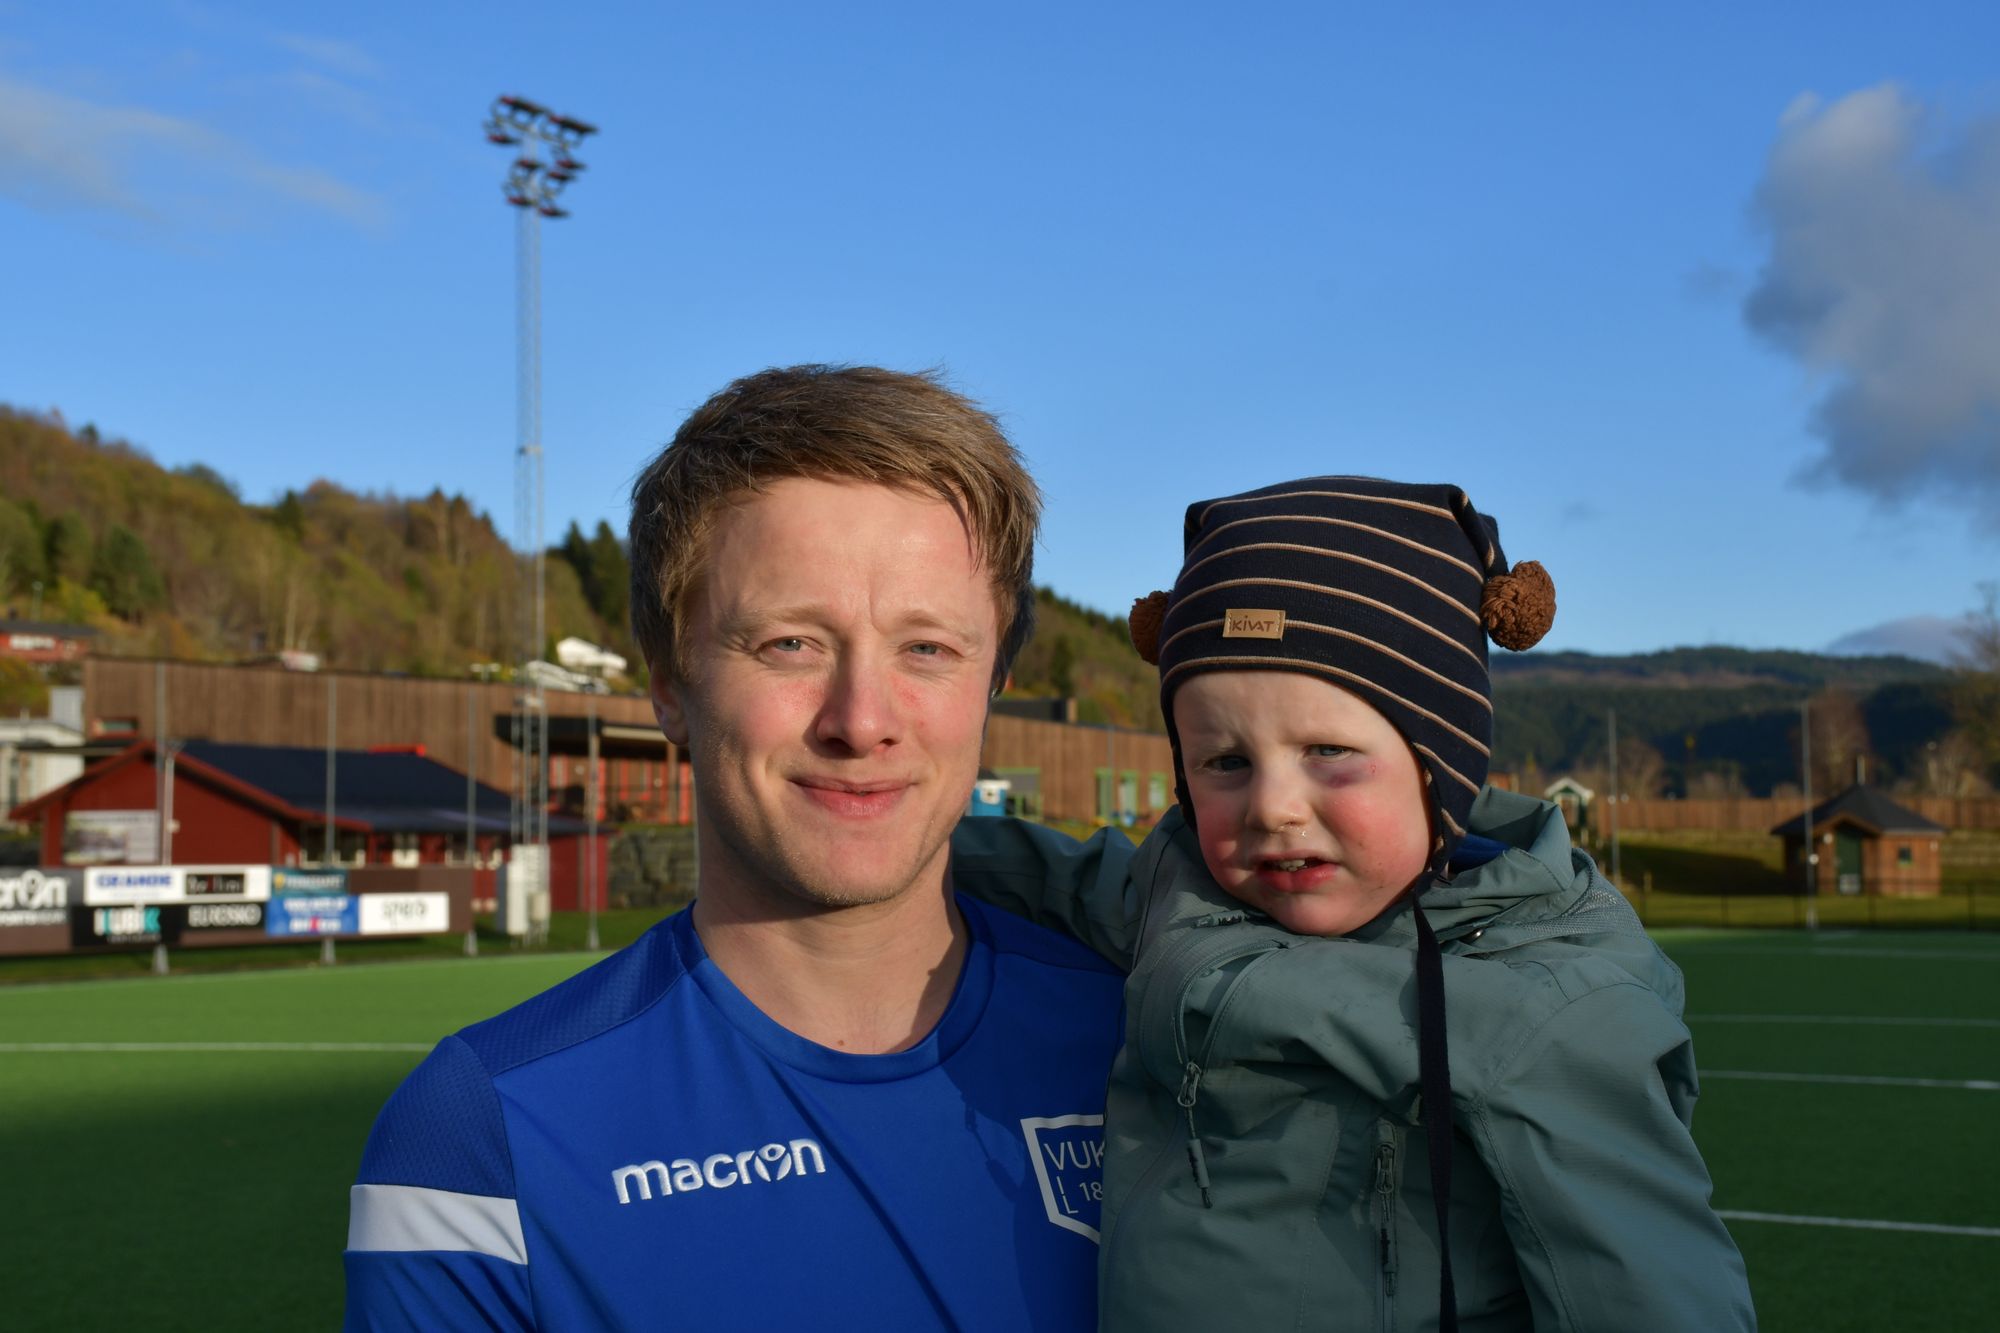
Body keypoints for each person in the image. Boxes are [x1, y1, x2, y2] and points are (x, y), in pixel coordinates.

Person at [343, 365, 1124, 1331]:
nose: (863, 719)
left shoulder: (1156, 1043)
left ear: (995, 679)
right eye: (791, 643)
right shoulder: (484, 1137)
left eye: (927, 648)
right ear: (670, 683)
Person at [953, 475, 1757, 1331]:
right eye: (1225, 762)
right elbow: (1046, 873)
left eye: (1329, 750)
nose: (1273, 807)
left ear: (1439, 765)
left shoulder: (1547, 1004)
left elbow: (1655, 1297)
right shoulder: (1174, 887)